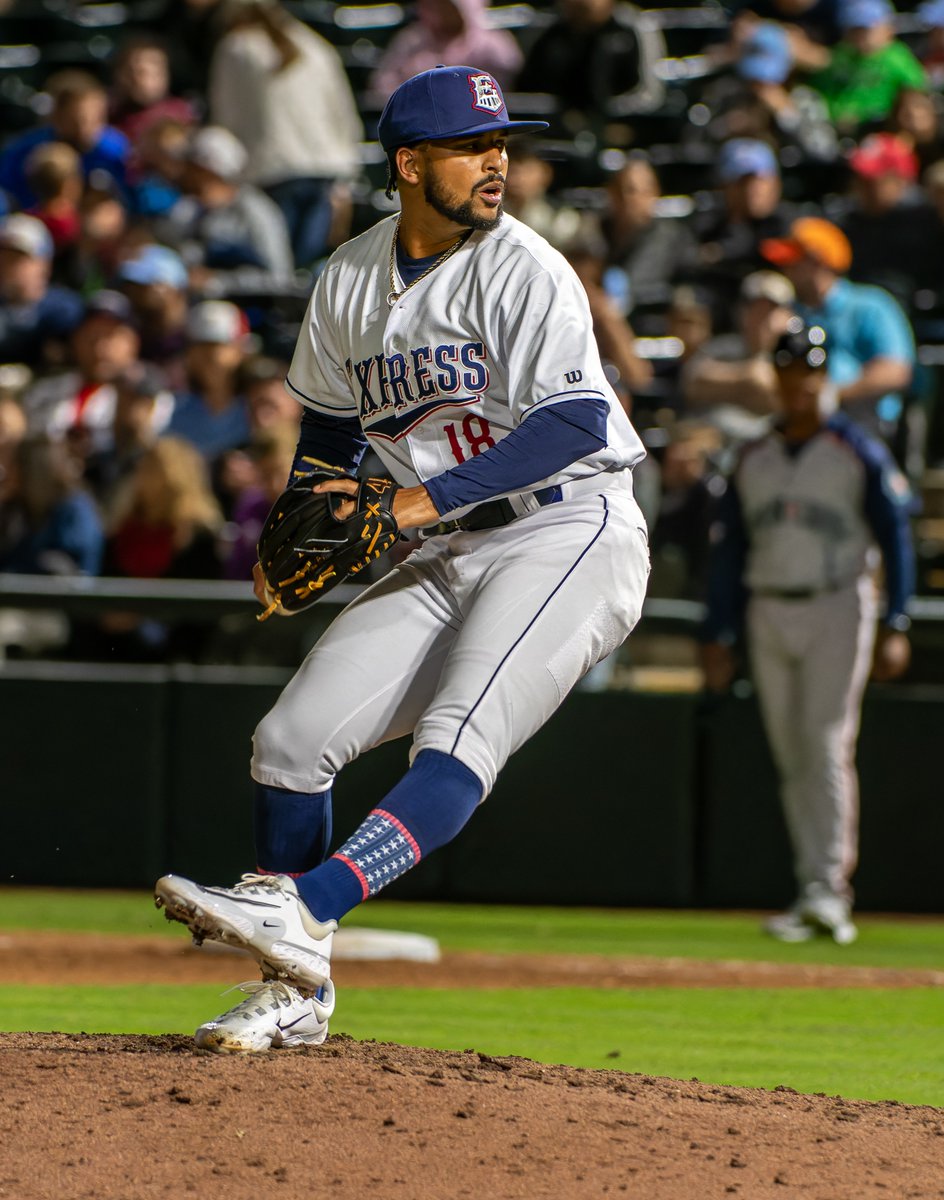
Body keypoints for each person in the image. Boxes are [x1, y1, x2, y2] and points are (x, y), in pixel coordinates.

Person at [154, 65, 650, 1053]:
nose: (497, 161)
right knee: (289, 743)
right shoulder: (346, 278)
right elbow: (331, 436)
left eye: (502, 142)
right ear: (409, 162)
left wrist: (410, 500)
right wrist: (290, 525)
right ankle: (294, 993)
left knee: (459, 736)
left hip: (568, 528)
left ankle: (306, 910)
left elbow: (573, 421)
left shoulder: (526, 266)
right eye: (474, 146)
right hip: (439, 544)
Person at [700, 319, 914, 944]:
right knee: (793, 755)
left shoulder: (857, 449)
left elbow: (896, 538)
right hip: (769, 606)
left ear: (824, 378)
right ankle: (812, 889)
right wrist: (719, 630)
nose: (800, 385)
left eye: (810, 373)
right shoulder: (754, 455)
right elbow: (730, 551)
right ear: (779, 377)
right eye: (790, 372)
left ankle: (830, 892)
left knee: (823, 746)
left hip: (837, 605)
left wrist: (896, 618)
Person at [209, 0, 363, 268]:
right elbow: (345, 118)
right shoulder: (316, 45)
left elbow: (226, 120)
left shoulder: (236, 48)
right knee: (310, 270)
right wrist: (347, 178)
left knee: (281, 273)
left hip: (270, 174)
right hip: (325, 171)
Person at [760, 216, 915, 440]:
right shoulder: (788, 312)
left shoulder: (870, 305)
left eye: (793, 259)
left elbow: (895, 372)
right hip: (800, 421)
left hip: (865, 424)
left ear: (818, 261)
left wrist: (833, 395)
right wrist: (768, 337)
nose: (785, 268)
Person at [156, 125, 295, 298]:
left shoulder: (255, 210)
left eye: (198, 170)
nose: (190, 177)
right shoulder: (190, 210)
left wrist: (218, 281)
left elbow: (280, 279)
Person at [515, 0, 665, 130]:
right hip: (552, 131)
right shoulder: (543, 31)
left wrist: (606, 119)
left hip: (623, 130)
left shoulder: (636, 27)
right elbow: (526, 93)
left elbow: (650, 96)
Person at [0, 71, 130, 210]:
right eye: (77, 120)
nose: (86, 128)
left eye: (96, 118)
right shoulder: (28, 151)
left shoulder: (116, 151)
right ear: (57, 116)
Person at [683, 269, 796, 422]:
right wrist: (748, 376)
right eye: (755, 309)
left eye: (771, 310)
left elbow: (785, 402)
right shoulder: (724, 347)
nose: (762, 319)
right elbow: (691, 382)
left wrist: (730, 387)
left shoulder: (794, 357)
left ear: (789, 316)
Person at [808, 0, 927, 133]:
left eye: (866, 29)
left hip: (878, 127)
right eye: (854, 29)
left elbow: (917, 87)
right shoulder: (841, 55)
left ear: (888, 29)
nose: (860, 36)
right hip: (833, 126)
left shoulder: (895, 57)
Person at [369, 0, 523, 98]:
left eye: (447, 5)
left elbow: (502, 94)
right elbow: (383, 85)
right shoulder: (411, 40)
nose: (439, 10)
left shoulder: (494, 46)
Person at [0, 214, 84, 369]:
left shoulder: (65, 309)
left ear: (44, 263)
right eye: (4, 257)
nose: (7, 265)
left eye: (19, 259)